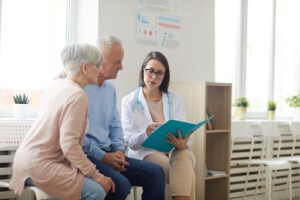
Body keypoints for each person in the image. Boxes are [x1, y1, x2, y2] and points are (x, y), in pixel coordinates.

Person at [9, 43, 115, 200]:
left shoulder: (56, 84)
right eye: (97, 65)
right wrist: (96, 175)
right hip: (40, 166)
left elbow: (64, 72)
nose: (100, 70)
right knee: (96, 191)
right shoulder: (77, 95)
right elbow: (69, 145)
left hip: (23, 162)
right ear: (85, 68)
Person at [83, 35, 165, 200]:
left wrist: (119, 150)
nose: (121, 66)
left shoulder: (110, 90)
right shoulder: (80, 89)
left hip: (111, 153)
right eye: (117, 61)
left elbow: (115, 126)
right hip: (89, 155)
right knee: (121, 185)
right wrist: (104, 156)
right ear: (101, 60)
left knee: (156, 172)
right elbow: (77, 138)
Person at [121, 51, 196, 200]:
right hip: (147, 153)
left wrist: (183, 144)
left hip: (174, 151)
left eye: (159, 73)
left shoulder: (175, 98)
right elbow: (130, 141)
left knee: (185, 154)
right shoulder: (129, 101)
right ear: (143, 71)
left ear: (165, 76)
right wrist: (146, 133)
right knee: (188, 173)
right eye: (150, 71)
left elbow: (186, 131)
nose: (154, 77)